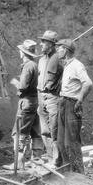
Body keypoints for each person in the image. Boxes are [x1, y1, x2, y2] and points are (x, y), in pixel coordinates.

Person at [56, 38, 92, 173]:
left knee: (71, 142)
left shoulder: (77, 65)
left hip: (72, 104)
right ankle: (67, 172)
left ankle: (78, 174)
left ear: (65, 50)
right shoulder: (67, 65)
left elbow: (88, 83)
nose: (57, 50)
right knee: (61, 141)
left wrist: (80, 99)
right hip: (63, 103)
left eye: (59, 48)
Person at [11, 39, 43, 168]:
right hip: (34, 101)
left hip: (27, 102)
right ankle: (37, 159)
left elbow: (23, 86)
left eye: (20, 51)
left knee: (19, 131)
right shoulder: (34, 65)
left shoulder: (28, 66)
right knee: (35, 130)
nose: (19, 52)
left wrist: (14, 82)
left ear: (23, 53)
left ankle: (18, 164)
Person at [36, 30, 63, 166]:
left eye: (44, 42)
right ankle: (50, 157)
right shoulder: (41, 60)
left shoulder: (58, 59)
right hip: (42, 97)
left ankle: (57, 160)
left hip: (53, 98)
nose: (41, 44)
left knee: (55, 130)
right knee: (45, 131)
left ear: (52, 45)